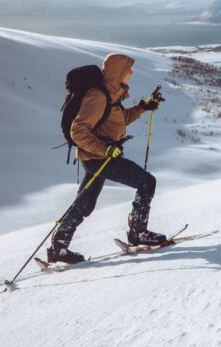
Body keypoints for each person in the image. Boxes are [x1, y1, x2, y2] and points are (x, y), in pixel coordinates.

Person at [48, 52, 165, 264]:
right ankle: (138, 233)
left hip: (96, 157)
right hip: (100, 158)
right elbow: (78, 131)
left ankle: (58, 247)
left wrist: (143, 107)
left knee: (84, 203)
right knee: (147, 182)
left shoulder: (111, 95)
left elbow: (117, 121)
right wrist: (106, 149)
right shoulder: (98, 96)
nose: (130, 73)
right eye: (128, 70)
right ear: (118, 72)